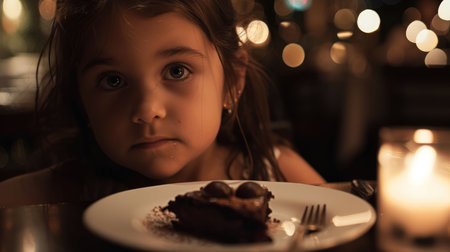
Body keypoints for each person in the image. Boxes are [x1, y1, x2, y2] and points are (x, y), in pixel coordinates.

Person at [0, 0, 324, 207]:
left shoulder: (275, 171)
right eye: (113, 80)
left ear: (232, 81)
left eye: (177, 71)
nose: (146, 109)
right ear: (81, 97)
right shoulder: (68, 194)